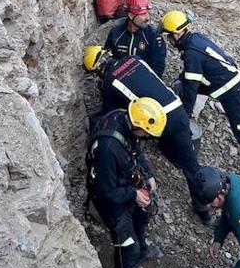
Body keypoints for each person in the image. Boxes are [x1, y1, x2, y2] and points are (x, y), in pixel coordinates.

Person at [83, 45, 214, 224]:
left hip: (154, 121)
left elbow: (114, 116)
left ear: (97, 69)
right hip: (177, 111)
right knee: (191, 165)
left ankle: (139, 191)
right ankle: (203, 210)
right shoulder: (133, 59)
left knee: (130, 147)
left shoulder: (109, 83)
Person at [160, 11, 240, 188]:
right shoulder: (195, 39)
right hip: (227, 84)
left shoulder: (192, 53)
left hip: (234, 93)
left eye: (169, 37)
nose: (169, 41)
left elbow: (191, 89)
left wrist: (184, 117)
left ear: (177, 34)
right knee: (182, 83)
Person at [86, 97, 168, 268]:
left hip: (122, 183)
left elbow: (135, 152)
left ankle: (143, 250)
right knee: (127, 248)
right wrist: (133, 194)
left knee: (141, 217)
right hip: (109, 196)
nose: (148, 138)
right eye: (148, 135)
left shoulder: (124, 118)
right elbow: (106, 192)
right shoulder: (108, 148)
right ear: (140, 127)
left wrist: (148, 175)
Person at [104, 0, 166, 77]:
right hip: (119, 82)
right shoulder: (115, 34)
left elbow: (157, 71)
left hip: (143, 85)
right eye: (143, 14)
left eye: (148, 13)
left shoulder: (153, 37)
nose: (148, 18)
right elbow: (108, 61)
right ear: (130, 15)